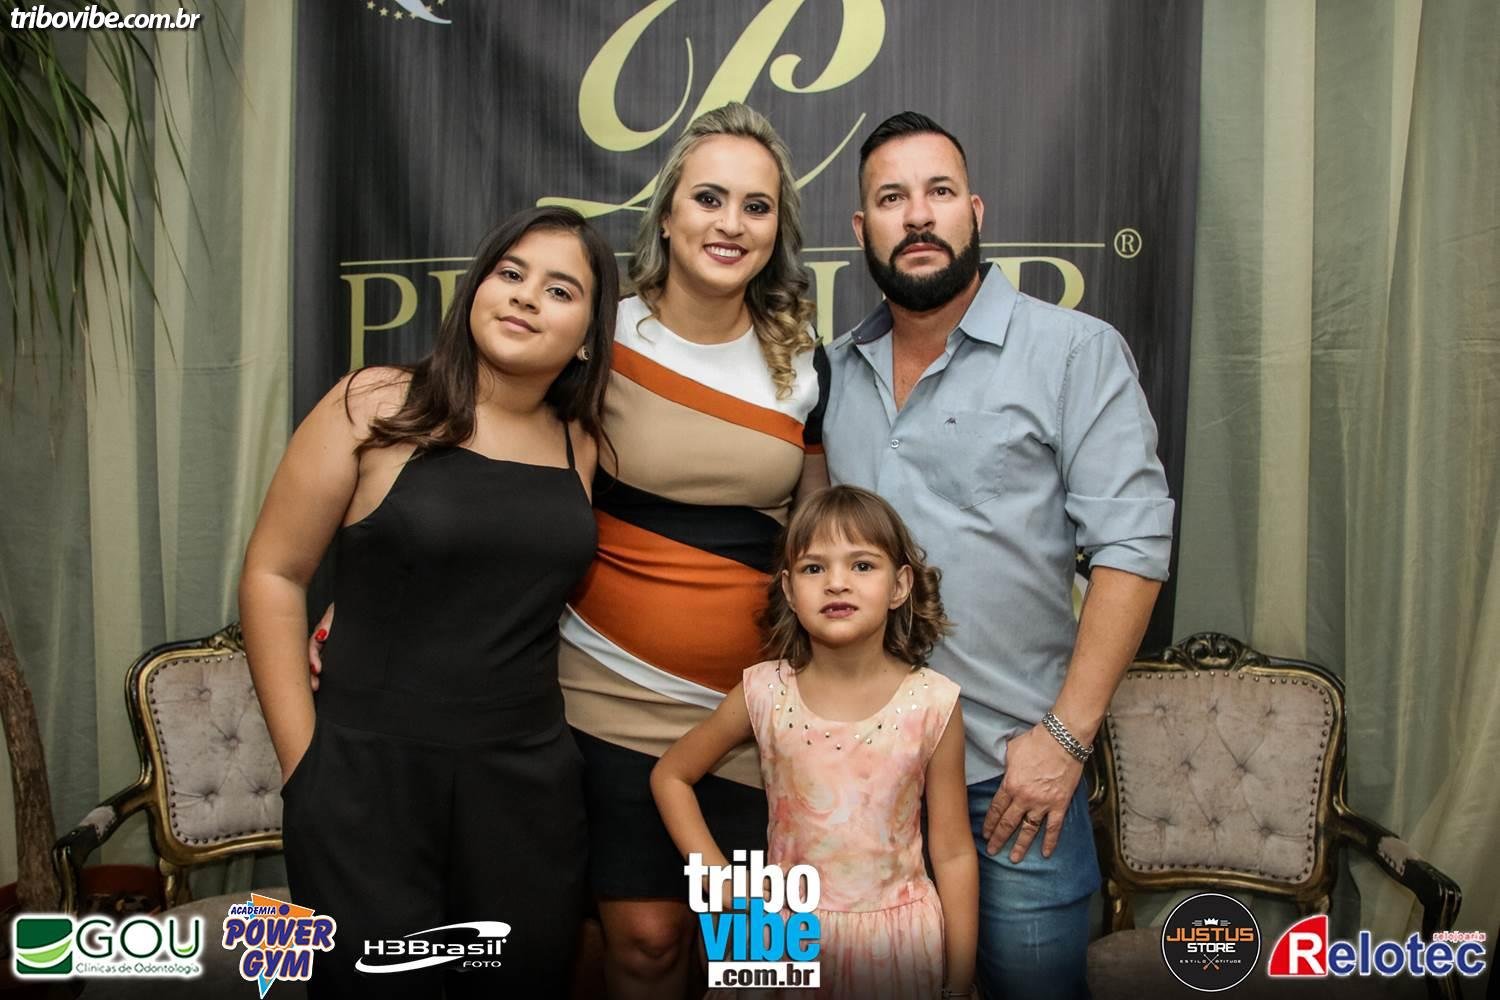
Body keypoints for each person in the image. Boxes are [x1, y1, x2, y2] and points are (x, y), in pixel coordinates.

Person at [822, 112, 1175, 998]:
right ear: (860, 230)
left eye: (938, 191)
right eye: (891, 199)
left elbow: (1134, 548)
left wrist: (1064, 741)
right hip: (860, 784)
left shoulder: (1073, 352)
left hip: (1012, 783)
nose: (917, 215)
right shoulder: (834, 373)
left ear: (974, 212)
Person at [240, 206, 618, 998]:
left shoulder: (579, 444)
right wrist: (305, 770)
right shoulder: (376, 402)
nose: (525, 297)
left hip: (526, 792)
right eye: (510, 273)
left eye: (560, 290)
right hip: (366, 784)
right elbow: (274, 573)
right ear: (476, 286)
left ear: (588, 336)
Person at [557, 102, 827, 998]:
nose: (730, 223)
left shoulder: (804, 362)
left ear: (777, 230)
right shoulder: (597, 336)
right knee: (645, 943)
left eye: (756, 206)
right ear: (668, 213)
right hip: (605, 699)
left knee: (756, 952)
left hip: (752, 714)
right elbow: (510, 492)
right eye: (709, 198)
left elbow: (815, 535)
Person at [651, 485, 977, 999]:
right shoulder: (764, 691)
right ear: (788, 589)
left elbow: (954, 852)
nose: (836, 582)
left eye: (862, 565)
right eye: (813, 568)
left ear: (900, 586)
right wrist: (720, 879)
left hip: (896, 948)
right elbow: (671, 775)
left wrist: (959, 982)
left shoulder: (934, 703)